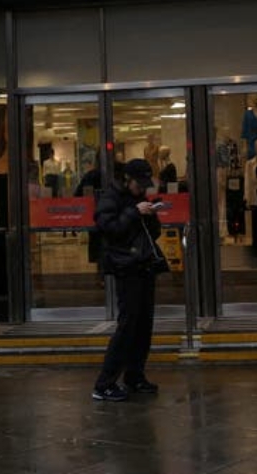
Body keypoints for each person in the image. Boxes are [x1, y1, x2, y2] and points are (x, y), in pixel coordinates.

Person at [91, 157, 165, 402]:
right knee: (127, 325)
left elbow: (153, 233)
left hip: (144, 265)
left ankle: (135, 376)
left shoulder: (137, 197)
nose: (142, 188)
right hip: (126, 267)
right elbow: (107, 227)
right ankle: (105, 383)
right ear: (127, 179)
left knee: (144, 324)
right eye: (138, 183)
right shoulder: (111, 197)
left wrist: (150, 213)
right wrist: (134, 212)